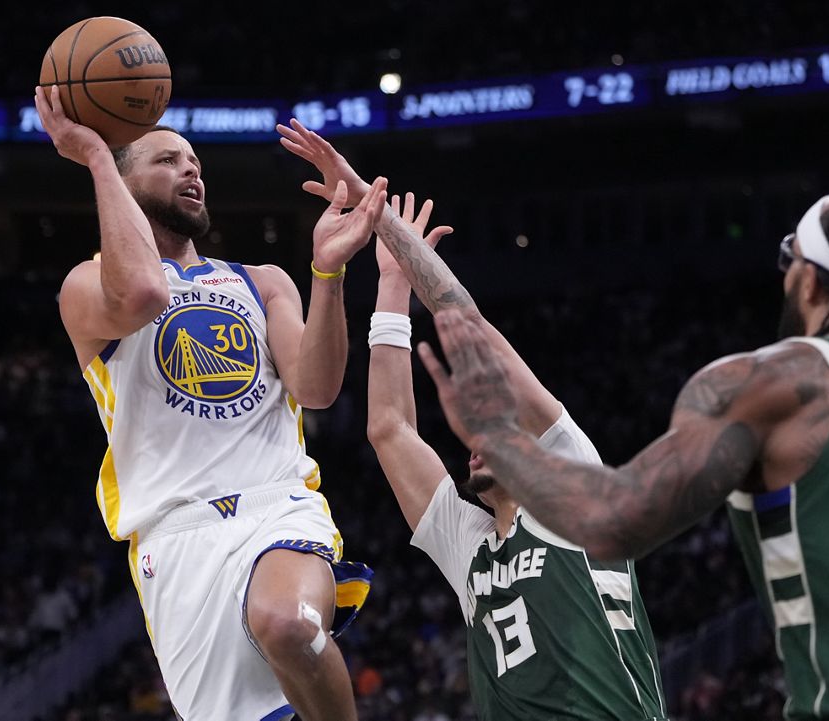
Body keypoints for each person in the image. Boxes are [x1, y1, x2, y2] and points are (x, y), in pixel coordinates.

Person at [419, 185, 829, 719]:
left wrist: (499, 436)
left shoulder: (780, 381)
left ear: (813, 282)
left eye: (789, 257)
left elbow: (613, 521)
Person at [275, 120, 669, 719]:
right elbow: (390, 429)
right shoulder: (471, 550)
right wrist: (391, 286)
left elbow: (468, 323)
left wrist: (378, 215)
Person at [34, 85, 385, 721]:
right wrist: (93, 156)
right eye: (167, 160)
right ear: (122, 179)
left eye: (195, 161)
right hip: (175, 539)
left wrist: (328, 273)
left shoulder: (262, 281)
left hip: (275, 503)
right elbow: (142, 294)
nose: (191, 168)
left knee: (289, 625)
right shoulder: (84, 287)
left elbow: (318, 390)